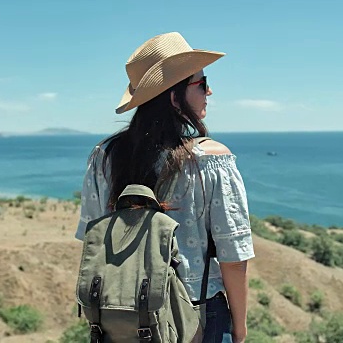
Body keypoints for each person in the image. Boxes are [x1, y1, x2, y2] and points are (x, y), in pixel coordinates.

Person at [74, 32, 255, 343]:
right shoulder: (210, 160)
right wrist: (239, 328)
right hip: (198, 315)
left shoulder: (103, 157)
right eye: (201, 83)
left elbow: (93, 240)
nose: (209, 91)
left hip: (123, 317)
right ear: (174, 97)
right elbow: (234, 258)